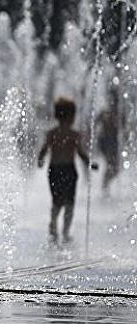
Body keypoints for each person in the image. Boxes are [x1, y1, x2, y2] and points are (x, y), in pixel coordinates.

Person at [37, 98, 98, 244]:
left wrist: (40, 160)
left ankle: (56, 228)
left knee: (59, 202)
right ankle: (62, 231)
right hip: (66, 170)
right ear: (71, 116)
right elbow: (81, 153)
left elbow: (44, 150)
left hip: (58, 170)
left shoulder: (53, 134)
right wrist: (90, 163)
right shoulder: (71, 135)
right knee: (67, 203)